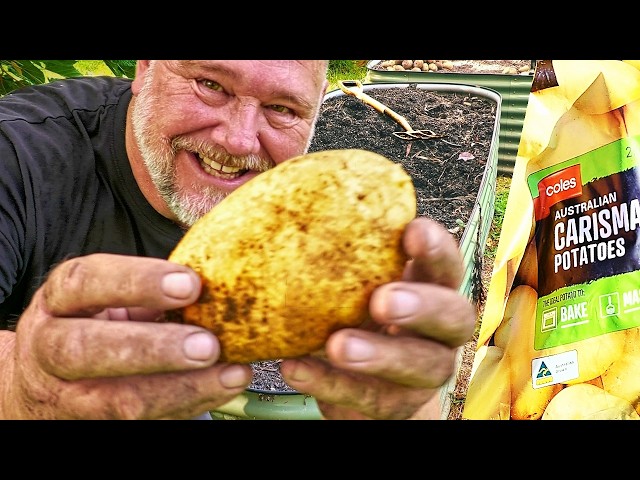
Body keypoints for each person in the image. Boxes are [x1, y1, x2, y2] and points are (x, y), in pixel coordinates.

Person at [0, 60, 476, 420]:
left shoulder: (311, 210)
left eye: (281, 108)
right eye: (210, 85)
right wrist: (26, 384)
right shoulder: (16, 156)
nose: (240, 141)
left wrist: (402, 404)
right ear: (144, 67)